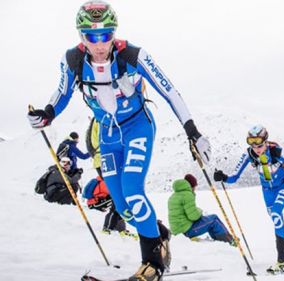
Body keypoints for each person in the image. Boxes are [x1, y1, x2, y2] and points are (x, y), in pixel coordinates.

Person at [27, 1, 210, 280]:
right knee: (123, 206)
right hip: (109, 136)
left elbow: (170, 91)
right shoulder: (72, 60)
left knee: (134, 192)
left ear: (114, 33)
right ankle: (158, 234)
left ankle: (154, 264)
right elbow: (62, 92)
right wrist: (47, 114)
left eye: (106, 35)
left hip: (138, 128)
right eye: (91, 36)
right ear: (81, 36)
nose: (99, 44)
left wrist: (192, 131)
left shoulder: (133, 55)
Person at [213, 125, 284, 273]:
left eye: (259, 145)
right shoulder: (249, 154)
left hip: (282, 187)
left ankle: (282, 260)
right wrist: (224, 177)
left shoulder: (276, 151)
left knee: (277, 213)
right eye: (253, 145)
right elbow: (234, 177)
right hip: (267, 191)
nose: (257, 149)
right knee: (277, 221)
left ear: (266, 141)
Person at [168, 174, 236, 245]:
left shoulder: (174, 196)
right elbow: (193, 216)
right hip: (186, 231)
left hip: (178, 230)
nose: (195, 188)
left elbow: (185, 212)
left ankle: (220, 240)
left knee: (209, 220)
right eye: (195, 186)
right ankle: (228, 242)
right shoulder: (187, 195)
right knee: (214, 219)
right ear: (191, 186)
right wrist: (200, 212)